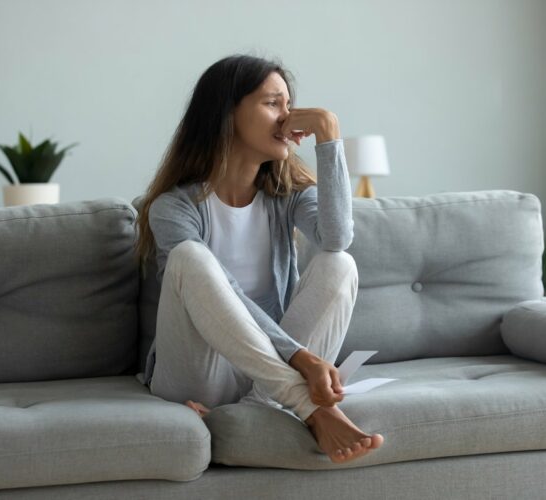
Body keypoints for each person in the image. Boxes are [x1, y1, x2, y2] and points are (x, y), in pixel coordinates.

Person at [134, 54, 383, 463]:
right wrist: (300, 358)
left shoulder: (288, 196)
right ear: (226, 113)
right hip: (200, 373)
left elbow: (337, 238)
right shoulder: (172, 208)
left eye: (289, 106)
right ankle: (308, 408)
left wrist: (328, 132)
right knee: (191, 259)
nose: (288, 121)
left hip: (262, 377)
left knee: (340, 263)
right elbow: (226, 293)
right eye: (272, 104)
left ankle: (251, 413)